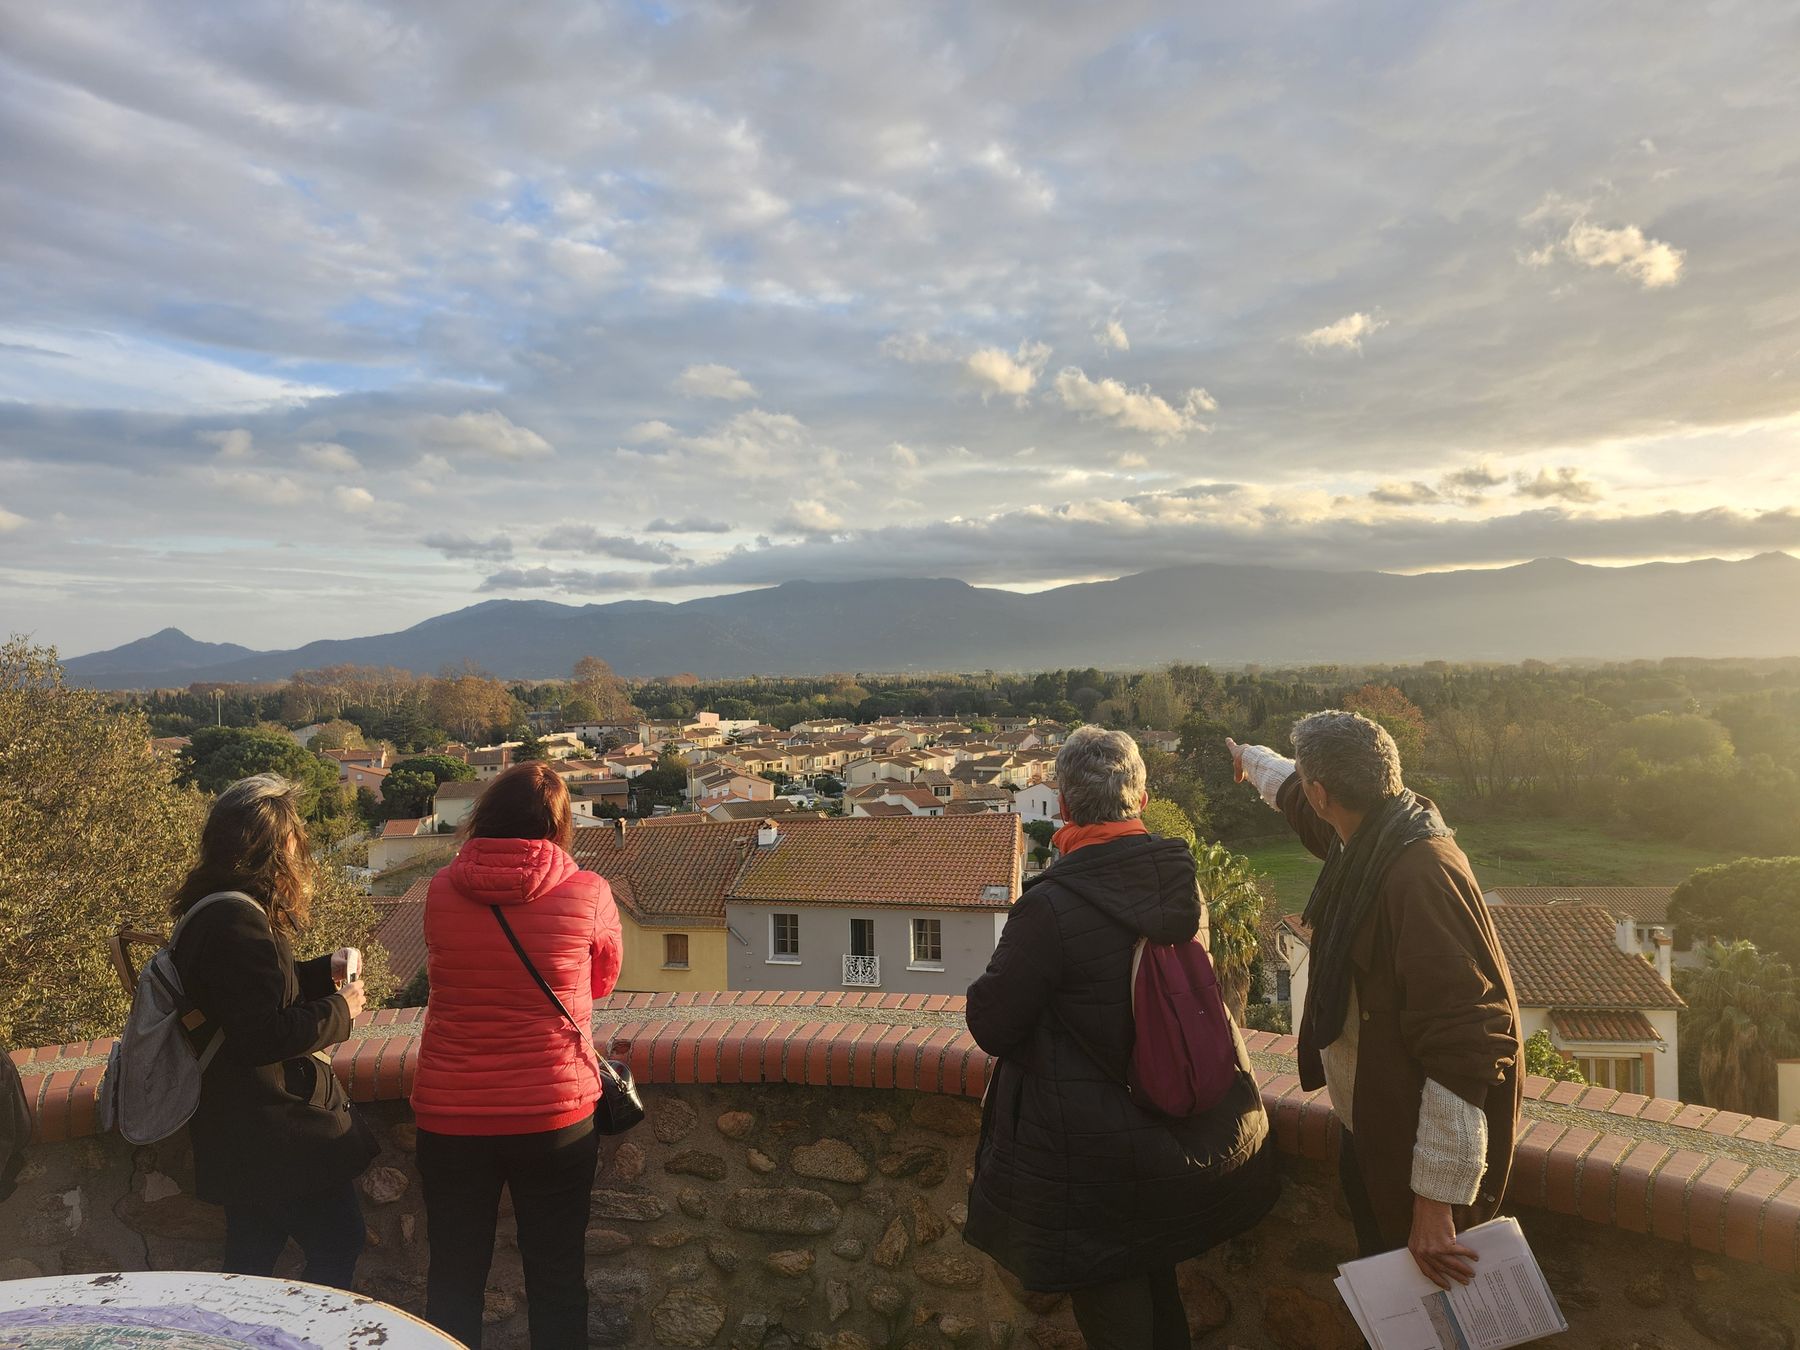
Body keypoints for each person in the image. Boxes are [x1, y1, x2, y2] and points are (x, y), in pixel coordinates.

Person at [963, 726, 1280, 1350]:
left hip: (1092, 1159)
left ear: (1065, 806)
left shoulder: (1050, 907)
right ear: (1141, 796)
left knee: (1117, 1318)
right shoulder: (1180, 882)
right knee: (1162, 1304)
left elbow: (992, 1024)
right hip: (1176, 1139)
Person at [1228, 712, 1521, 1288]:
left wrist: (1437, 1202)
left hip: (1412, 1157)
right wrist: (1250, 759)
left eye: (1309, 786)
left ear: (1324, 793)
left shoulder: (1419, 876)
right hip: (1376, 1126)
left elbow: (1465, 1043)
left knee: (1424, 1314)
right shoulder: (1374, 835)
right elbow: (1289, 789)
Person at [411, 762, 623, 1350]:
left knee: (452, 1276)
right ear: (558, 824)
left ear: (486, 816)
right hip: (553, 1113)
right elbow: (601, 981)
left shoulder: (439, 890)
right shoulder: (589, 891)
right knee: (557, 1275)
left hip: (451, 1113)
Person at [169, 774, 375, 1289]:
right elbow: (263, 1034)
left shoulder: (217, 910)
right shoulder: (239, 924)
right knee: (338, 1243)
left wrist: (318, 969)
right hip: (276, 1137)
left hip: (240, 1133)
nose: (298, 847)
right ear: (271, 847)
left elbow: (247, 995)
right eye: (292, 838)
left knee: (248, 1267)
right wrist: (341, 1009)